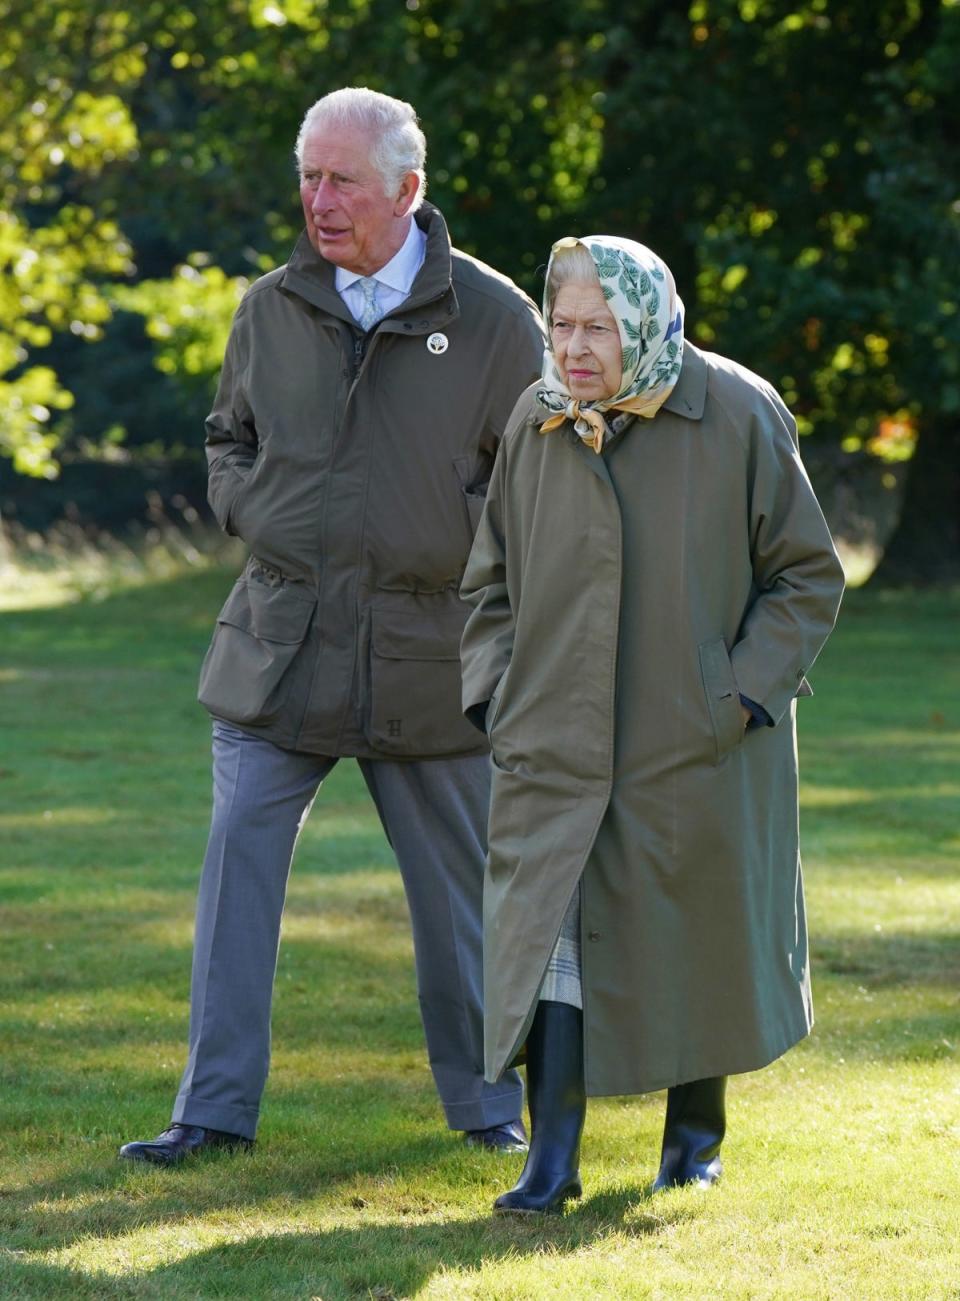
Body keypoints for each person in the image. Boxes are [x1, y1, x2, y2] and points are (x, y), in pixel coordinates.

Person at [119, 88, 544, 1166]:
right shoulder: (270, 305)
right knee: (234, 879)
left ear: (408, 190)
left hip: (429, 658)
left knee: (460, 905)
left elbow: (537, 486)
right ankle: (210, 1113)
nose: (317, 200)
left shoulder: (495, 320)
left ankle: (490, 1108)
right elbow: (229, 435)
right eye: (308, 176)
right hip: (279, 646)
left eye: (340, 179)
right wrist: (249, 506)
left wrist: (461, 538)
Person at [459, 234, 845, 1214]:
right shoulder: (538, 416)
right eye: (563, 324)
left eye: (599, 326)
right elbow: (490, 577)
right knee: (550, 932)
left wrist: (741, 694)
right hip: (551, 735)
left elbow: (807, 575)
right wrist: (496, 689)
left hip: (693, 737)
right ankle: (550, 1158)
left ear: (646, 320)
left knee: (693, 930)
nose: (576, 347)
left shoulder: (738, 411)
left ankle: (694, 1139)